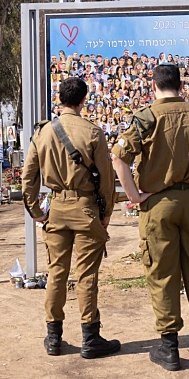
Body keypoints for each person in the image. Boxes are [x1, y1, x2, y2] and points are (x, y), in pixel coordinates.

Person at [111, 64, 189, 371]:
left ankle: (170, 348)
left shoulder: (147, 116)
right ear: (180, 85)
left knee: (162, 273)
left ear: (154, 85)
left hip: (160, 202)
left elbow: (118, 157)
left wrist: (134, 196)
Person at [21, 77, 120, 359]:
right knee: (87, 274)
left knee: (56, 273)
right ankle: (91, 338)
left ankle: (54, 338)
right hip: (87, 208)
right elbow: (107, 181)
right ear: (82, 100)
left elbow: (28, 176)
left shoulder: (42, 132)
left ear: (59, 99)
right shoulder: (93, 132)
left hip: (56, 208)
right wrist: (107, 213)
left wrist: (36, 211)